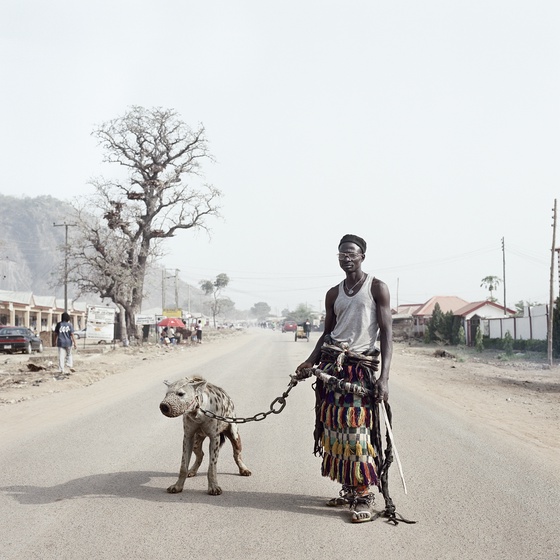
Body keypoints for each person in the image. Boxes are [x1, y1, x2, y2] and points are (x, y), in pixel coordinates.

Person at [295, 234, 393, 524]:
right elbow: (327, 334)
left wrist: (384, 379)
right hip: (330, 368)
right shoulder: (332, 293)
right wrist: (309, 362)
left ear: (362, 256)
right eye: (341, 254)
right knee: (335, 432)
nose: (346, 258)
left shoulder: (377, 288)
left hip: (359, 371)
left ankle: (363, 494)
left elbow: (387, 334)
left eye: (351, 253)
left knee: (358, 433)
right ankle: (349, 488)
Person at [54, 312, 77, 376]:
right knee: (69, 355)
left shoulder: (59, 324)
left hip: (61, 342)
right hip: (68, 342)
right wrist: (75, 343)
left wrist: (55, 341)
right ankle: (69, 366)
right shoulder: (70, 325)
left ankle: (62, 369)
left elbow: (56, 334)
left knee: (61, 356)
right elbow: (72, 335)